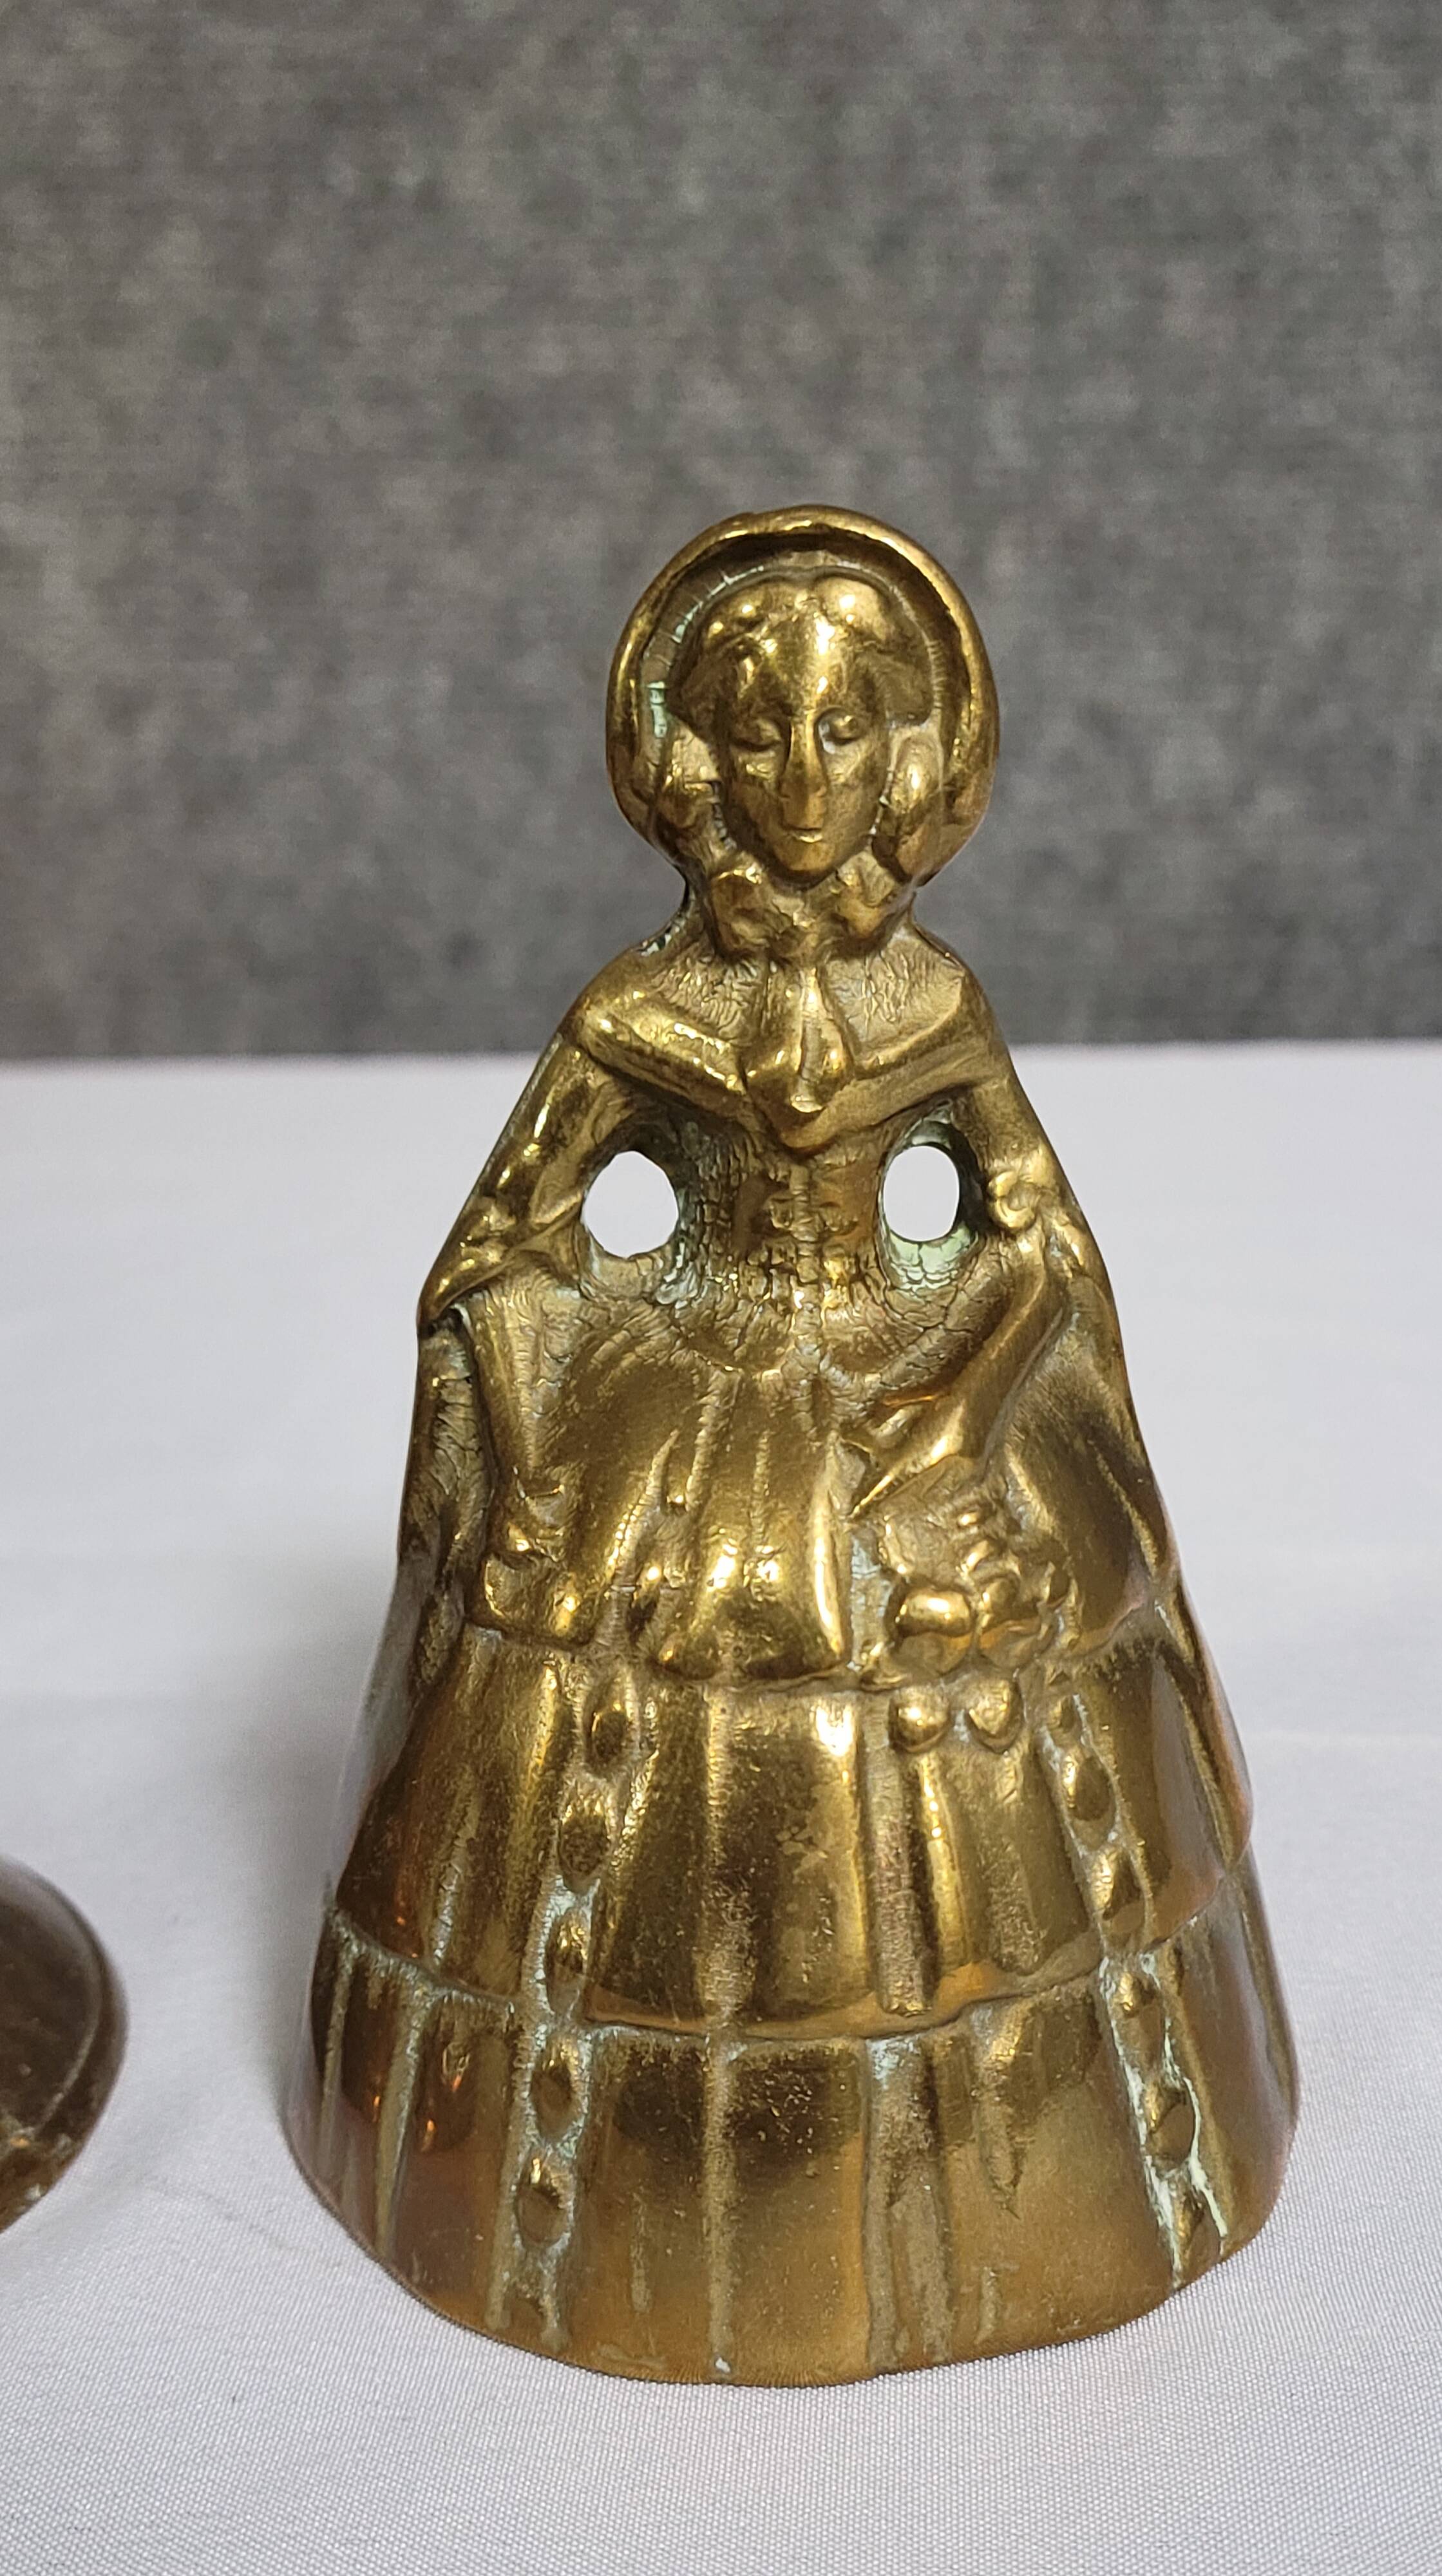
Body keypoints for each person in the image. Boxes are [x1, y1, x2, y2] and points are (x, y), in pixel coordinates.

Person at [291, 507, 1296, 2383]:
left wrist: (966, 1394)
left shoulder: (933, 1006)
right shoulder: (642, 1011)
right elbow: (501, 1255)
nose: (802, 782)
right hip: (680, 1419)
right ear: (693, 763)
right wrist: (529, 1446)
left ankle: (1035, 2194)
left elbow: (1039, 1250)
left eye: (843, 737)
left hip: (914, 1396)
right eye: (760, 739)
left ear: (909, 759)